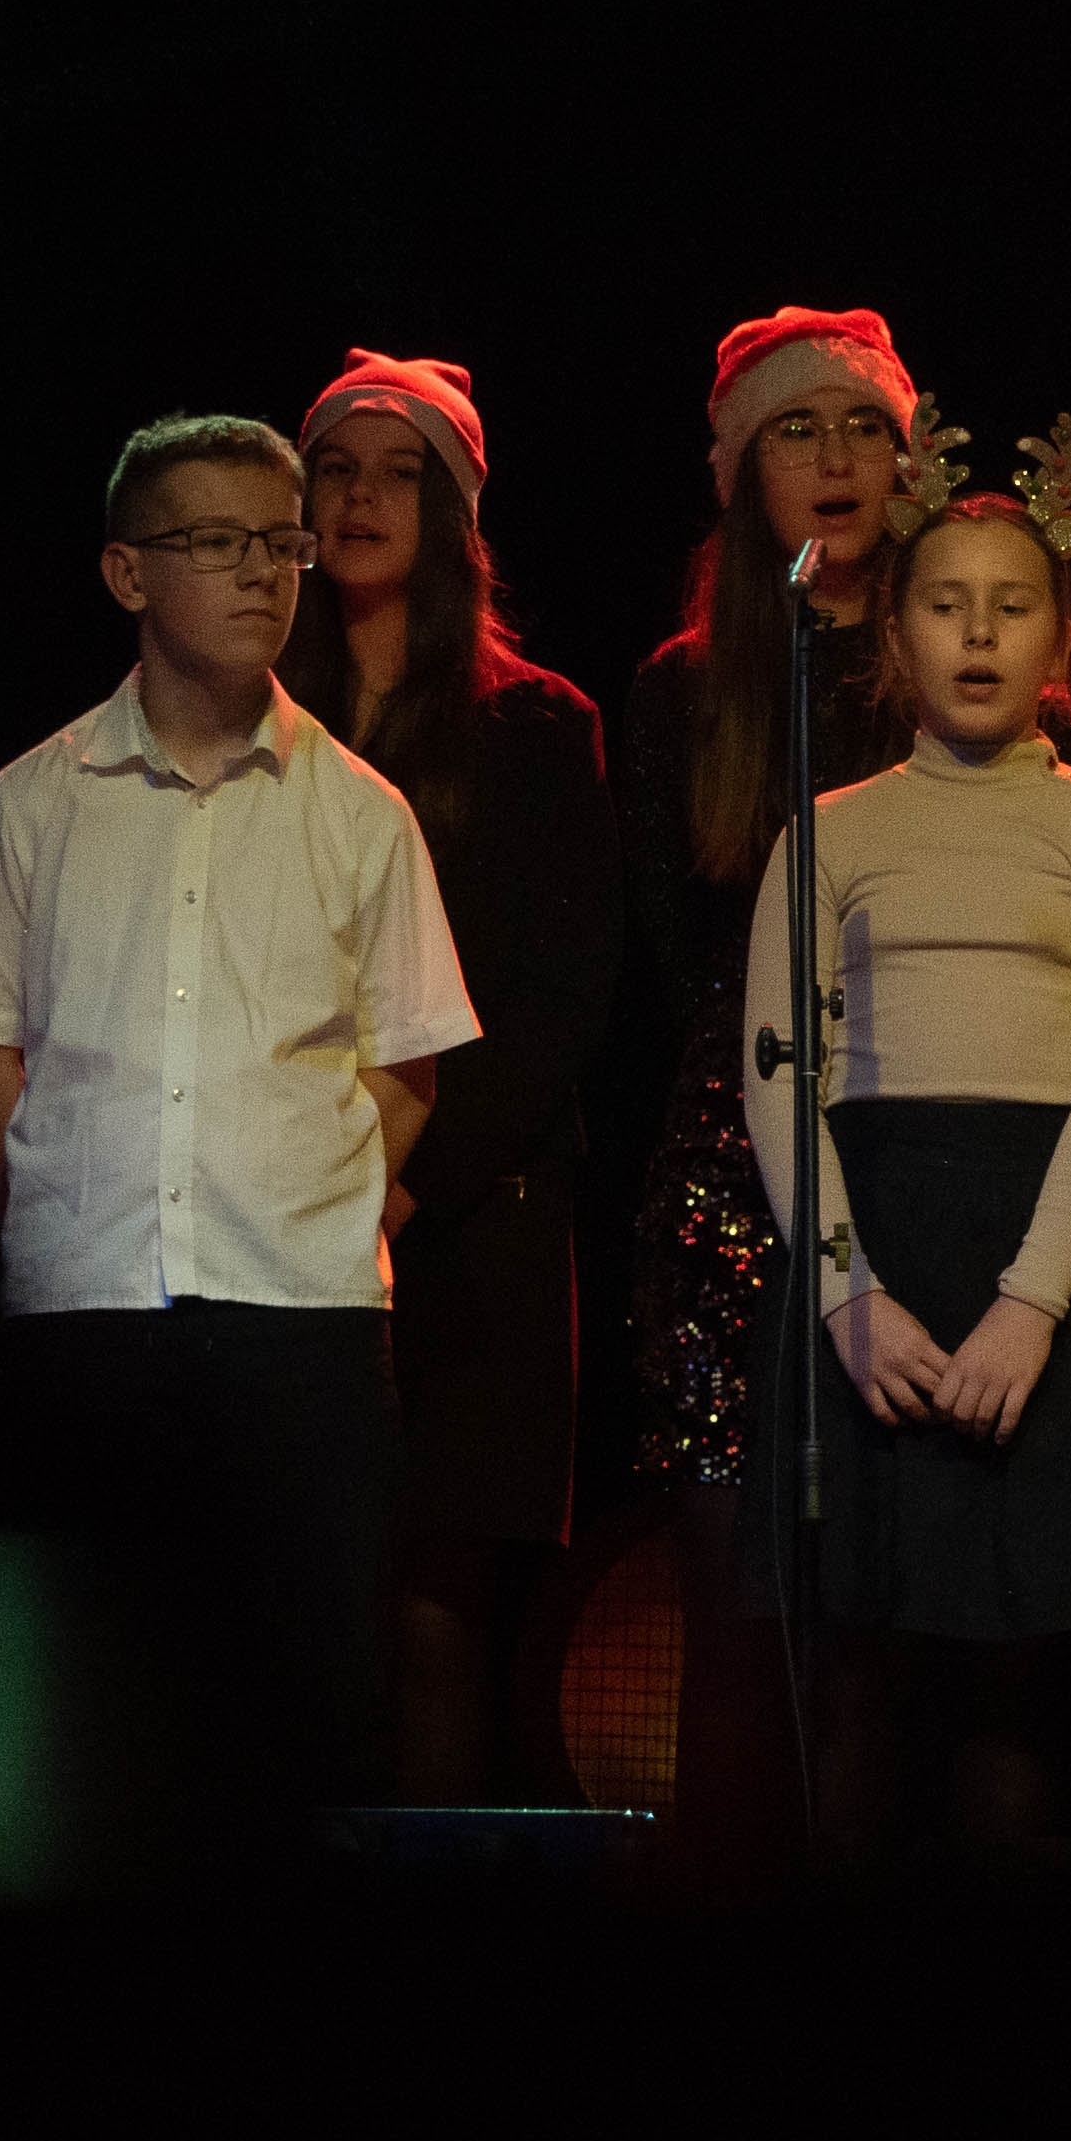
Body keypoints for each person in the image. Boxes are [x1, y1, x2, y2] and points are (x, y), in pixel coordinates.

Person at [0, 413, 478, 1858]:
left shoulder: (360, 814)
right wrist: (61, 1209)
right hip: (87, 1320)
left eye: (280, 545)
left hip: (302, 1327)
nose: (261, 574)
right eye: (215, 542)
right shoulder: (34, 802)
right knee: (89, 1707)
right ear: (128, 573)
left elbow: (408, 1068)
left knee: (311, 1706)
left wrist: (305, 1208)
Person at [743, 409, 1071, 1865]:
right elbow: (779, 1075)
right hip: (878, 1249)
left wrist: (1031, 1301)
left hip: (1043, 1263)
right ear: (896, 632)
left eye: (1012, 606)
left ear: (1057, 639)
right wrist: (846, 1293)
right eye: (947, 605)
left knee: (1023, 1709)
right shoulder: (830, 830)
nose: (980, 634)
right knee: (868, 1697)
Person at [280, 351, 621, 1802]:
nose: (361, 499)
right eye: (335, 470)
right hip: (287, 1219)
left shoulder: (533, 725)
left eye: (399, 473)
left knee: (437, 1611)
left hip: (471, 1223)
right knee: (304, 1609)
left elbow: (554, 1000)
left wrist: (406, 1186)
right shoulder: (256, 721)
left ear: (456, 514)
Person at [608, 306, 917, 1865]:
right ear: (743, 474)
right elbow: (679, 961)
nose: (838, 457)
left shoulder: (960, 666)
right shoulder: (687, 691)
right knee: (736, 1599)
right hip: (735, 1167)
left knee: (879, 1622)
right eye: (801, 429)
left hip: (911, 1156)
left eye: (866, 428)